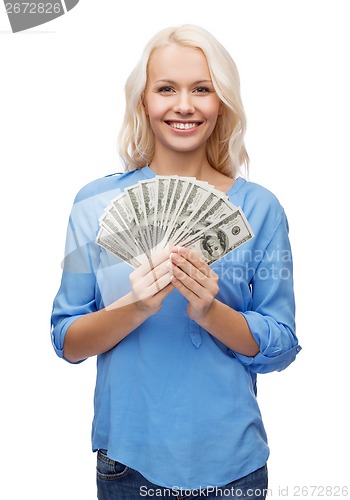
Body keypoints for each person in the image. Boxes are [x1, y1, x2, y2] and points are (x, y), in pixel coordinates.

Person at [51, 24, 301, 499]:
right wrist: (135, 307)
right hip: (127, 463)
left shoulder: (261, 209)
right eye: (166, 88)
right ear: (143, 102)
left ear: (221, 102)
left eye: (201, 89)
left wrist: (211, 311)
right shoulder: (94, 204)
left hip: (234, 467)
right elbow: (68, 341)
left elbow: (283, 346)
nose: (184, 105)